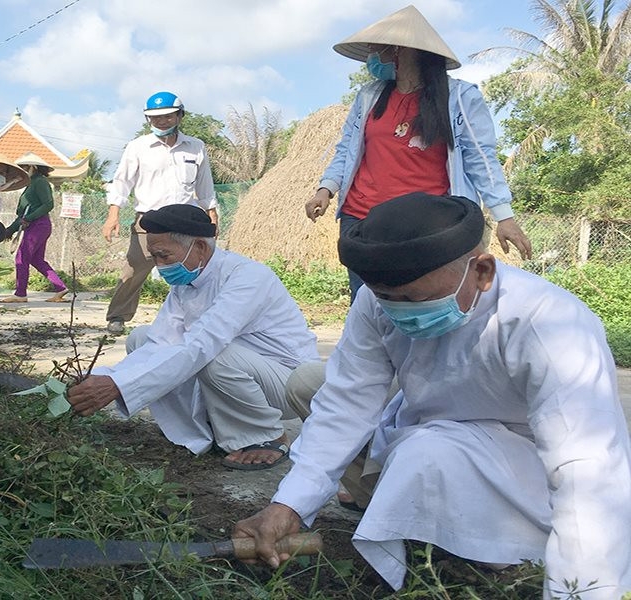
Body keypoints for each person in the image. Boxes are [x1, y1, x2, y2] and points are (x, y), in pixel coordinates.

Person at [234, 192, 631, 599]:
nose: (399, 311)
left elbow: (584, 463)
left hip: (525, 471)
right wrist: (289, 505)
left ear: (482, 271)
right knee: (325, 391)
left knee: (429, 451)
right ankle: (416, 522)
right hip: (426, 436)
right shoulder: (377, 301)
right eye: (387, 299)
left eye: (414, 299)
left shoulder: (549, 323)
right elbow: (346, 403)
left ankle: (503, 555)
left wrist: (582, 585)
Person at [304, 5, 533, 301]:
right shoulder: (368, 97)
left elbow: (481, 157)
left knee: (422, 304)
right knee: (366, 305)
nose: (371, 54)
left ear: (398, 49)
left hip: (425, 227)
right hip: (361, 220)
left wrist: (504, 216)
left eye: (375, 47)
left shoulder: (460, 98)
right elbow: (347, 149)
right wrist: (326, 189)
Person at [67, 205, 320, 469]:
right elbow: (161, 342)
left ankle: (266, 435)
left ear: (199, 247)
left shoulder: (247, 277)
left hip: (287, 384)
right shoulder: (186, 283)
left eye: (164, 255)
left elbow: (202, 343)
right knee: (141, 339)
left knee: (213, 357)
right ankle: (201, 428)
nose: (159, 266)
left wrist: (118, 386)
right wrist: (107, 377)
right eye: (154, 257)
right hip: (240, 370)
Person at [101, 91, 218, 334]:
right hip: (149, 219)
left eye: (167, 116)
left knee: (195, 267)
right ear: (148, 120)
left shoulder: (195, 147)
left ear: (180, 116)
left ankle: (199, 315)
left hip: (185, 220)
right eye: (155, 118)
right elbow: (122, 182)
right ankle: (118, 316)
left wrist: (211, 212)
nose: (162, 121)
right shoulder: (138, 147)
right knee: (136, 267)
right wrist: (113, 214)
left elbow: (204, 184)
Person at [0, 152, 69, 304]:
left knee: (21, 257)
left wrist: (29, 218)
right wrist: (10, 230)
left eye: (23, 167)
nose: (21, 171)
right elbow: (23, 215)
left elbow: (48, 204)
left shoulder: (40, 182)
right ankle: (60, 288)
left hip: (39, 225)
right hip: (36, 225)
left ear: (32, 167)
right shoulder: (30, 184)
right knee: (36, 260)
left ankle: (20, 294)